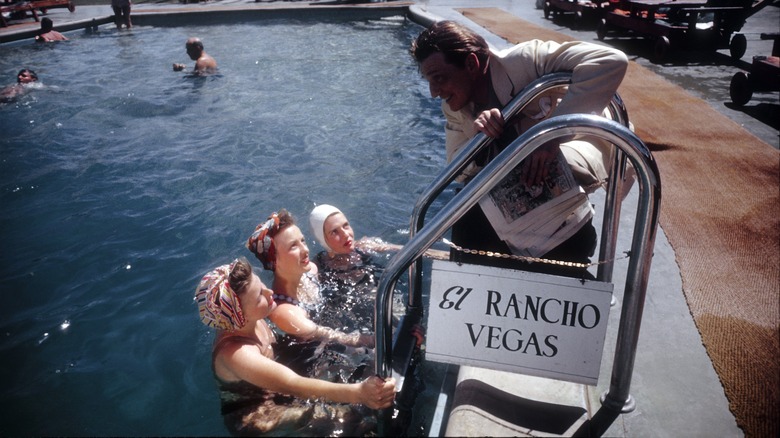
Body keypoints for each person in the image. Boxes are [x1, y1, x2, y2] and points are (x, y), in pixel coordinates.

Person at [410, 20, 628, 278]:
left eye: (438, 78)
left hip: (578, 146)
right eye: (429, 81)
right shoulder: (455, 106)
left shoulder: (526, 60)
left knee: (541, 183)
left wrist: (551, 136)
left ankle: (571, 275)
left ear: (471, 64)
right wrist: (482, 139)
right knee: (467, 212)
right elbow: (458, 166)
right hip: (527, 186)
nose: (434, 92)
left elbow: (611, 59)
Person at [195, 258, 396, 435]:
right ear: (239, 318)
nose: (269, 292)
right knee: (342, 418)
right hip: (258, 413)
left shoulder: (253, 319)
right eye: (259, 296)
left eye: (262, 285)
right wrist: (359, 393)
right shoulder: (237, 354)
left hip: (273, 386)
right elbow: (292, 383)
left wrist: (360, 341)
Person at [246, 209, 373, 347]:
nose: (305, 250)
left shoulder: (311, 270)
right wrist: (373, 340)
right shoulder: (284, 312)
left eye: (302, 241)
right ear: (274, 261)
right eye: (293, 246)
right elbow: (337, 338)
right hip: (313, 356)